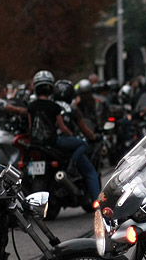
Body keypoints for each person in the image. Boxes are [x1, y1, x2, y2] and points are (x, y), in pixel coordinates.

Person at [27, 71, 100, 204]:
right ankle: (98, 202)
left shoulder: (33, 106)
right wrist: (86, 136)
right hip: (58, 143)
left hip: (38, 144)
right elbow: (65, 127)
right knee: (90, 170)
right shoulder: (67, 109)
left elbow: (31, 126)